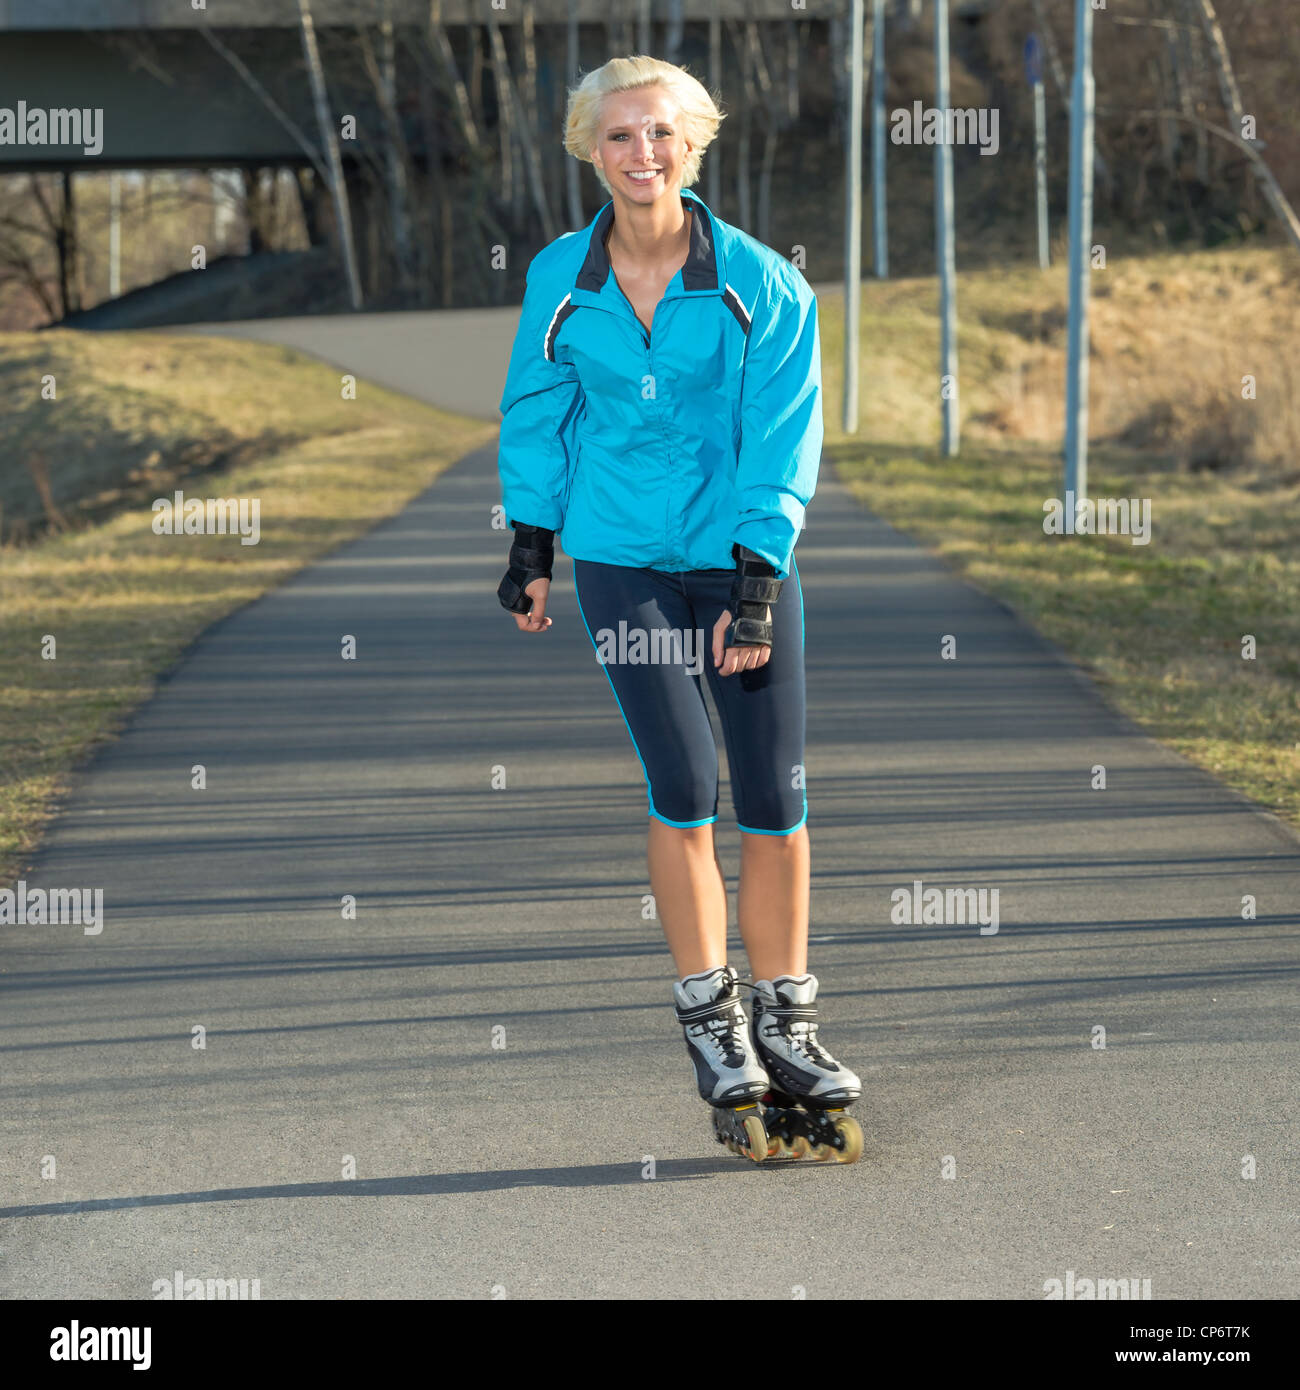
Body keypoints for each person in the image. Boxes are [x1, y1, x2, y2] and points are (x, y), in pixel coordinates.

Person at [495, 55, 861, 1162]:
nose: (640, 154)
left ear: (694, 144)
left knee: (773, 793)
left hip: (737, 556)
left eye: (659, 133)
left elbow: (782, 432)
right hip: (623, 560)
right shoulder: (563, 275)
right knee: (681, 781)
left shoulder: (757, 280)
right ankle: (713, 1023)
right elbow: (538, 403)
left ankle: (789, 1027)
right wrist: (531, 539)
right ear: (587, 149)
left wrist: (756, 580)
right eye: (618, 136)